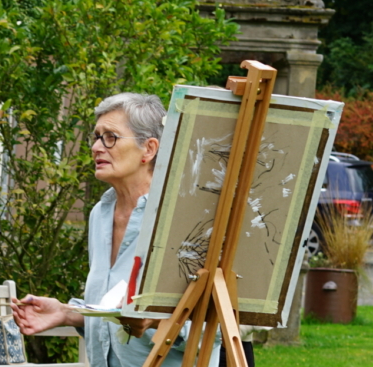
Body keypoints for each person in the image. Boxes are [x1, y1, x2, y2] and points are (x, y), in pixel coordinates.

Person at [11, 92, 221, 367]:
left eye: (110, 137)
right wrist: (66, 313)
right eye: (97, 137)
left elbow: (218, 323)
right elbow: (111, 310)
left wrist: (154, 320)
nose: (96, 147)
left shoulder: (184, 217)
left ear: (149, 149)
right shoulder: (100, 214)